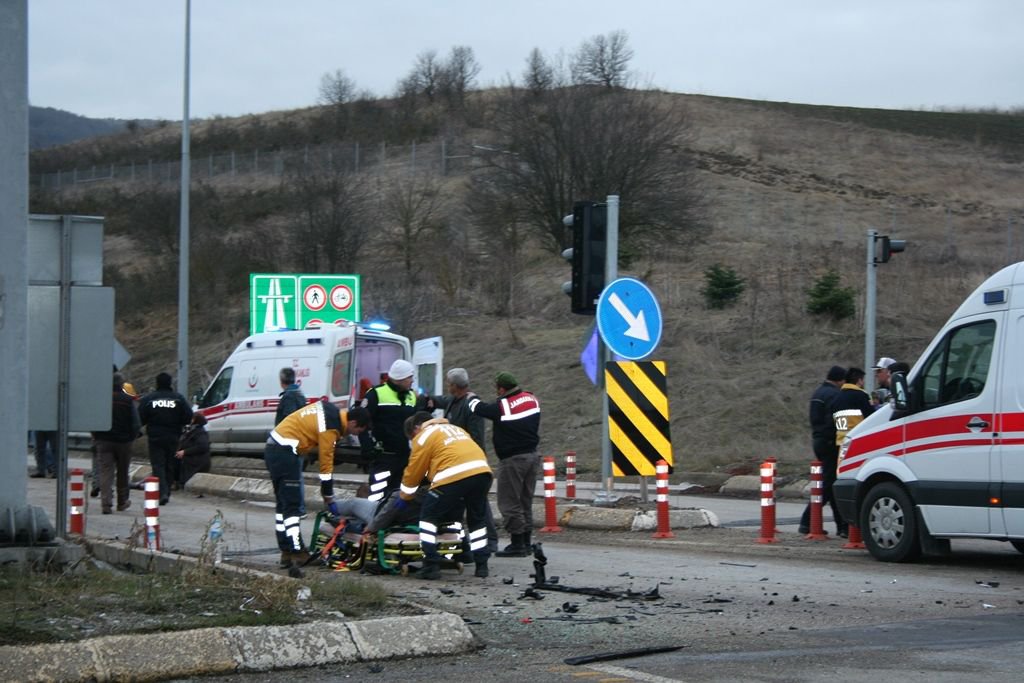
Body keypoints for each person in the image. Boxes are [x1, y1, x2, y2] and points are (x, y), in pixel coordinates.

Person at [264, 401, 370, 570]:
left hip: (274, 448)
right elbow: (326, 465)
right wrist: (328, 496)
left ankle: (287, 551)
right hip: (286, 451)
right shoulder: (332, 426)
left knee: (282, 507)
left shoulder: (331, 411)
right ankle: (297, 552)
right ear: (353, 423)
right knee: (292, 508)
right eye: (358, 431)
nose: (356, 435)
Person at [400, 412, 493, 579]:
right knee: (477, 520)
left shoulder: (423, 436)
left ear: (416, 428)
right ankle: (482, 565)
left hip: (453, 476)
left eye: (411, 436)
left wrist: (405, 497)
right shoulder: (455, 429)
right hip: (482, 472)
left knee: (428, 518)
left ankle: (431, 564)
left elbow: (413, 473)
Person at [468, 371, 540, 558]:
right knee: (525, 500)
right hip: (532, 457)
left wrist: (471, 397)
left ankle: (517, 543)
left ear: (501, 389)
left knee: (509, 502)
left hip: (513, 461)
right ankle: (526, 542)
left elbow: (479, 409)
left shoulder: (503, 406)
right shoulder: (531, 399)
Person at [431, 367, 498, 553]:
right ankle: (460, 539)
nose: (447, 386)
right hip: (457, 460)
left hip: (471, 461)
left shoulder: (471, 405)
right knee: (469, 501)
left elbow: (477, 437)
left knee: (478, 502)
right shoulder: (454, 400)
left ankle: (490, 540)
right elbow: (443, 400)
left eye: (448, 383)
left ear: (454, 385)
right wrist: (427, 400)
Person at [360, 359, 425, 503]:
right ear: (399, 379)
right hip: (384, 456)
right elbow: (362, 421)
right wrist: (367, 446)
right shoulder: (375, 394)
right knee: (378, 494)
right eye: (409, 377)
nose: (412, 381)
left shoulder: (411, 396)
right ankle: (373, 519)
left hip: (405, 456)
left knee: (400, 496)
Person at [799, 365, 846, 537]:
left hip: (818, 440)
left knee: (832, 484)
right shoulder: (834, 395)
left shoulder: (818, 393)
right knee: (828, 485)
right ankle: (808, 521)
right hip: (829, 442)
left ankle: (843, 526)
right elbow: (836, 421)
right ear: (840, 380)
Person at [138, 372, 193, 505]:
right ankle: (166, 490)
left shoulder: (149, 399)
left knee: (158, 465)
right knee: (170, 464)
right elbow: (188, 416)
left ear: (157, 383)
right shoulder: (178, 399)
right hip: (173, 436)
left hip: (155, 437)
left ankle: (162, 492)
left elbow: (140, 417)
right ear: (170, 383)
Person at [92, 373, 141, 514]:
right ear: (121, 384)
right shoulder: (128, 400)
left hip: (104, 440)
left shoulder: (102, 400)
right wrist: (132, 436)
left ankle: (106, 504)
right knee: (122, 472)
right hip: (124, 442)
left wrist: (96, 436)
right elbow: (136, 423)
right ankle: (122, 502)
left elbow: (94, 419)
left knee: (105, 472)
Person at [275, 367, 309, 512]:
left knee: (291, 476)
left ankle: (296, 507)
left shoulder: (289, 396)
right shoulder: (300, 394)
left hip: (290, 442)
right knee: (296, 475)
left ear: (282, 381)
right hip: (300, 440)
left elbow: (289, 420)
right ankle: (297, 506)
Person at [832, 367, 873, 449]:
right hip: (858, 440)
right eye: (862, 380)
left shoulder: (836, 398)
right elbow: (871, 417)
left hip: (842, 443)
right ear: (859, 380)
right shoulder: (862, 395)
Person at [175, 413, 211, 489]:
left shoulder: (200, 432)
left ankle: (179, 482)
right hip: (192, 457)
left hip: (197, 460)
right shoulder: (192, 430)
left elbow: (203, 446)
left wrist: (185, 452)